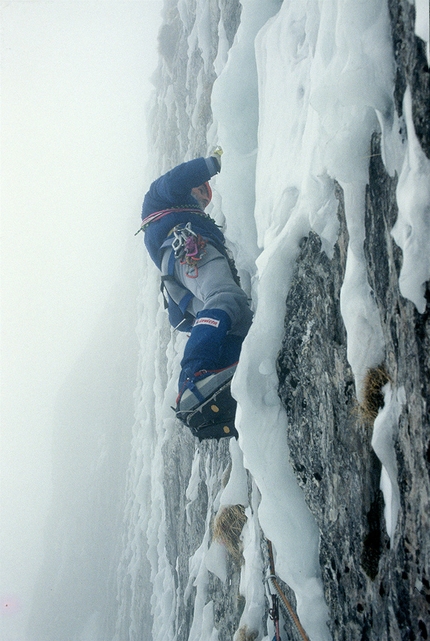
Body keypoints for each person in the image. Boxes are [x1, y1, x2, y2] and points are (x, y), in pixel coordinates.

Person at [138, 149, 253, 420]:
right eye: (200, 189)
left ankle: (227, 378)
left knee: (238, 318)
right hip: (187, 248)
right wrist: (212, 164)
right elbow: (176, 179)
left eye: (206, 195)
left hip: (182, 270)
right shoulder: (161, 197)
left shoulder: (189, 216)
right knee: (225, 298)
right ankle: (194, 378)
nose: (202, 196)